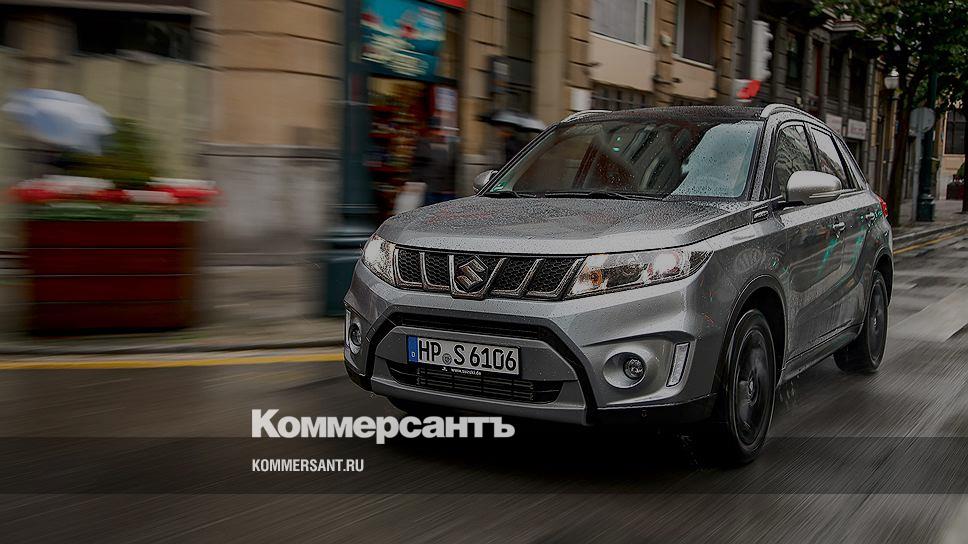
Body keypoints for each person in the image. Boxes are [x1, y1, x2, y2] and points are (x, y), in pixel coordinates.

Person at [412, 122, 455, 206]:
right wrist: (414, 182)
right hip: (431, 188)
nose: (439, 133)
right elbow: (418, 165)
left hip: (446, 190)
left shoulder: (451, 145)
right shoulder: (424, 144)